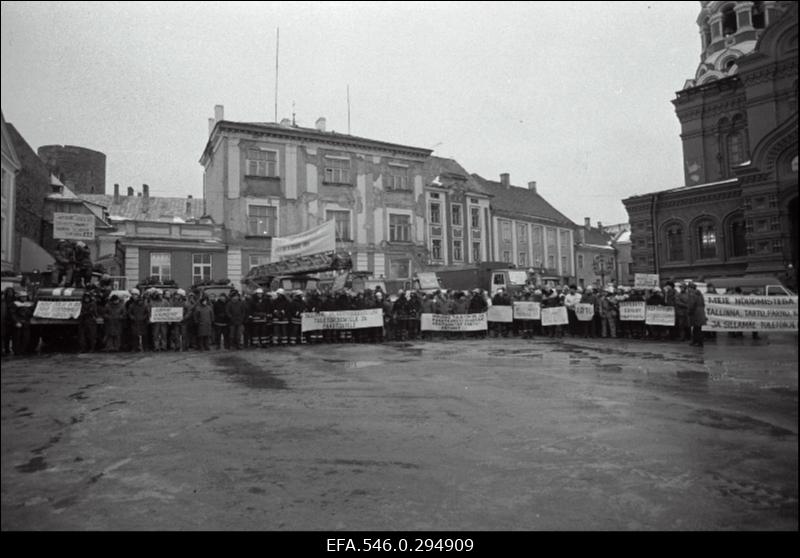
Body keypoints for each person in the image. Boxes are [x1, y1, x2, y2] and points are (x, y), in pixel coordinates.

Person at [687, 282, 707, 347]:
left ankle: (699, 342)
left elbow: (692, 304)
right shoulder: (700, 294)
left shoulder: (692, 294)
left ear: (691, 288)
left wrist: (689, 312)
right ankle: (696, 341)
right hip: (700, 312)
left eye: (689, 288)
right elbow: (703, 304)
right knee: (698, 328)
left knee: (697, 328)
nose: (688, 289)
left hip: (696, 313)